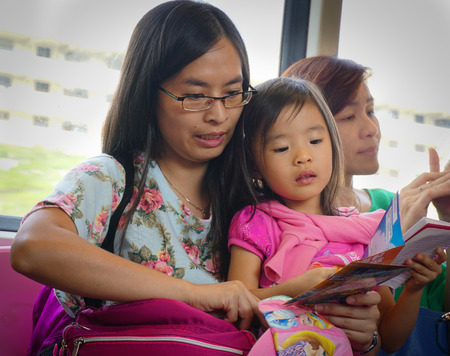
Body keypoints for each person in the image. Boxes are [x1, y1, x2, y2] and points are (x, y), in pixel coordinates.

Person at [10, 1, 261, 355]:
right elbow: (31, 247)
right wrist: (194, 294)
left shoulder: (253, 196)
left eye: (232, 94)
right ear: (148, 93)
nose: (218, 114)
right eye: (195, 96)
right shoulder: (111, 179)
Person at [225, 77, 447, 353]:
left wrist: (413, 289)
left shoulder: (365, 230)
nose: (303, 156)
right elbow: (238, 305)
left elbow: (389, 340)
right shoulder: (255, 221)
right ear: (255, 166)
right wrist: (297, 288)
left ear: (333, 145)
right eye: (282, 148)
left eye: (316, 140)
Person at [281, 55, 450, 312]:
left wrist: (446, 219)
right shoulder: (287, 220)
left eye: (371, 111)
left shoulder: (390, 203)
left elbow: (440, 308)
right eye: (349, 116)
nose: (371, 128)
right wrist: (392, 238)